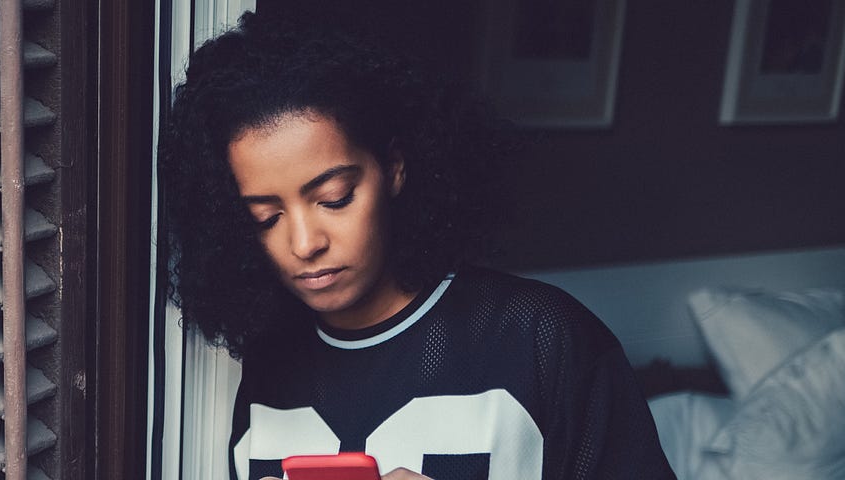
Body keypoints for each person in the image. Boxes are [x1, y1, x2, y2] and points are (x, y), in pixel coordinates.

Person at [157, 12, 674, 480]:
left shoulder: (540, 337)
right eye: (265, 218)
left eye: (334, 199)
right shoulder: (269, 367)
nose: (304, 243)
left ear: (396, 169)